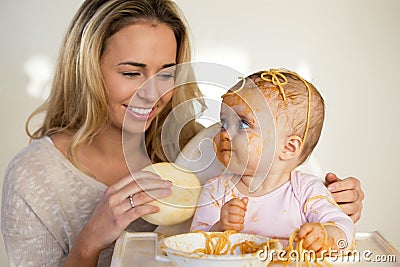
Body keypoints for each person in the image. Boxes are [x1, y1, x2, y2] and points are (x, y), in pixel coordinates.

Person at [0, 0, 362, 266]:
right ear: (86, 71)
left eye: (166, 73)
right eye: (131, 73)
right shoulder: (34, 179)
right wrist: (90, 241)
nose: (151, 93)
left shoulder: (205, 148)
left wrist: (335, 206)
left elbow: (285, 195)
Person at [191, 69, 355, 253]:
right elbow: (193, 243)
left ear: (288, 148)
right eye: (224, 123)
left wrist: (326, 235)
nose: (224, 133)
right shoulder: (216, 191)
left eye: (243, 124)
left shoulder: (306, 191)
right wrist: (219, 227)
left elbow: (345, 229)